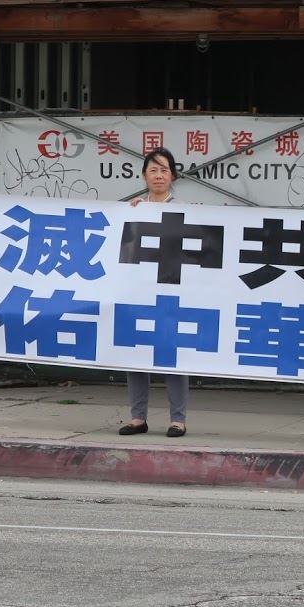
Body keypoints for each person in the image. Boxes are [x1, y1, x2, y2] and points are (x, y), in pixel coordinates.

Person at [118, 147, 190, 438]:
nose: (159, 175)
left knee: (171, 354)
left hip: (171, 291)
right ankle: (138, 418)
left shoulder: (184, 210)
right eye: (153, 170)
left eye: (164, 170)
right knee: (136, 353)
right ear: (144, 176)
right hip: (138, 291)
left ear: (172, 175)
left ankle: (178, 419)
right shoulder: (134, 210)